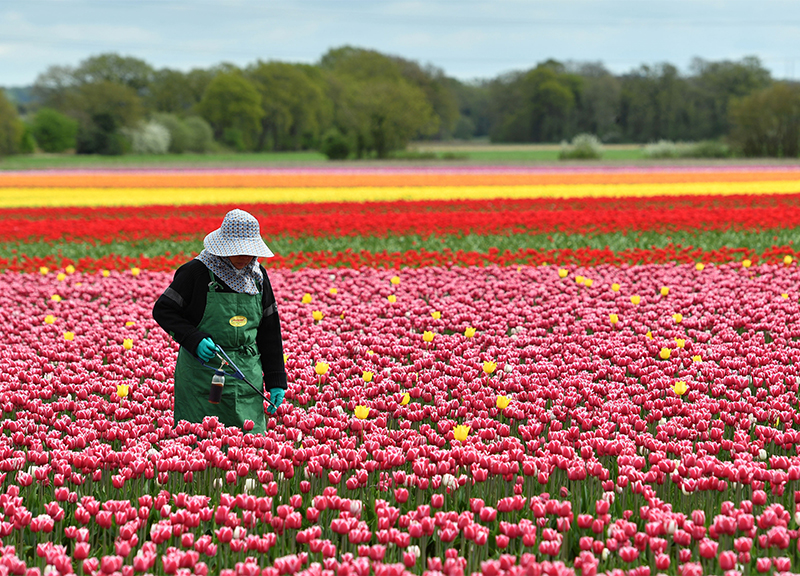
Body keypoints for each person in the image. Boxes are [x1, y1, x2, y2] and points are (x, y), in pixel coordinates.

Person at [153, 209, 286, 434]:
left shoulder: (257, 277)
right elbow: (164, 310)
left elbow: (269, 331)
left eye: (249, 251)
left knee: (247, 446)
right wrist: (193, 339)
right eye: (238, 250)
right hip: (203, 372)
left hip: (246, 372)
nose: (244, 256)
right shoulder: (196, 272)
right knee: (199, 442)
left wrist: (276, 379)